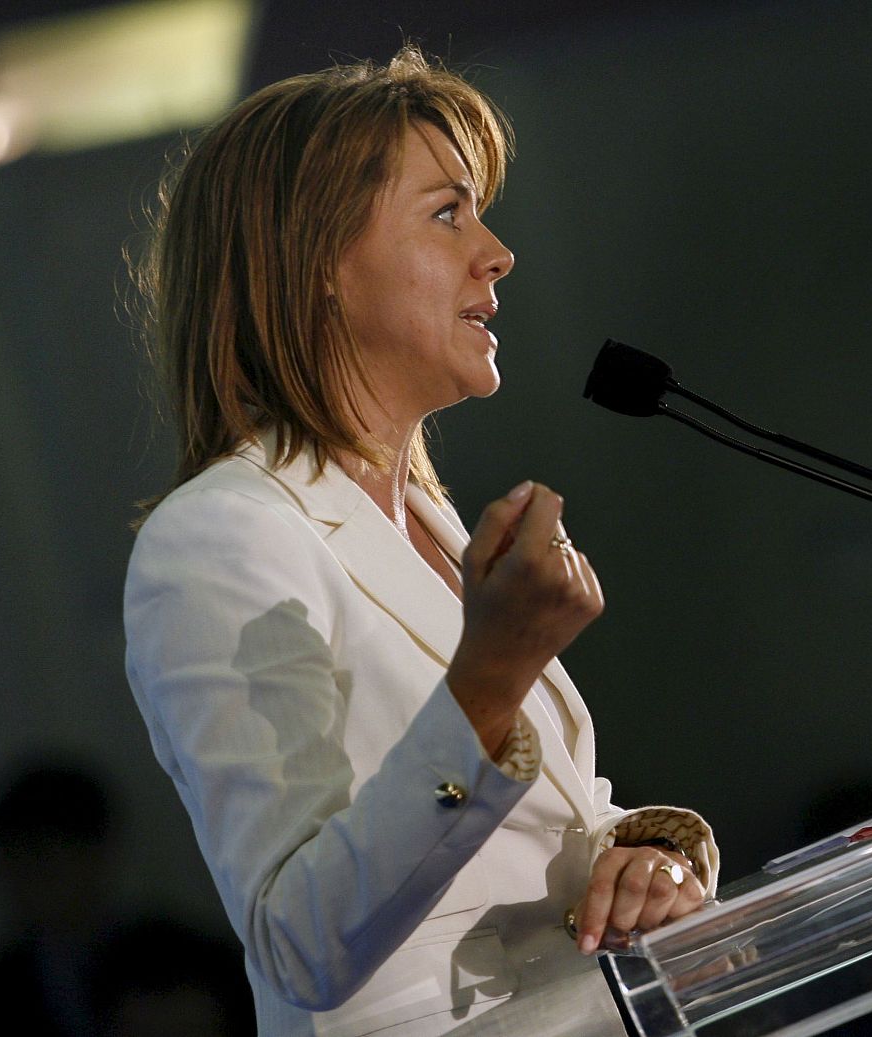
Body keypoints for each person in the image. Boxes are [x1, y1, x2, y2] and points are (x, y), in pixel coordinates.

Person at [124, 47, 718, 1037]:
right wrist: (488, 680)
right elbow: (299, 938)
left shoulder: (428, 520)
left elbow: (524, 839)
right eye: (446, 213)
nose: (497, 252)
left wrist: (643, 857)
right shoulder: (219, 537)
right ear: (313, 259)